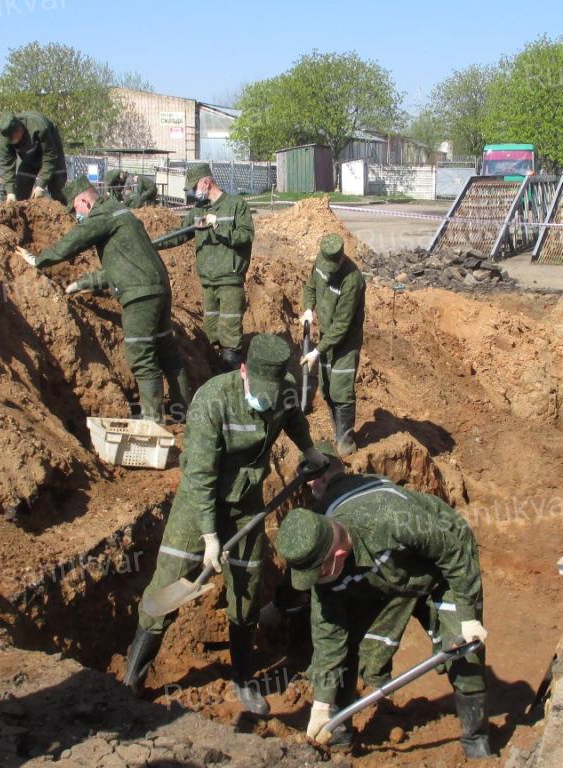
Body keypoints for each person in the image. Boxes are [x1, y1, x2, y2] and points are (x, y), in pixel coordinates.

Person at [123, 334, 327, 715]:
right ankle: (132, 679)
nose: (265, 401)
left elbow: (293, 418)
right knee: (167, 584)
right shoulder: (213, 401)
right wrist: (209, 536)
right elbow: (200, 475)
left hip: (246, 503)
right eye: (259, 392)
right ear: (243, 370)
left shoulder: (282, 390)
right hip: (198, 505)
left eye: (271, 394)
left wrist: (310, 450)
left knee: (247, 590)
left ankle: (243, 680)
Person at [275, 445, 490, 757]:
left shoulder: (392, 519)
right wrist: (320, 705)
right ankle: (338, 730)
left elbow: (454, 553)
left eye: (316, 574)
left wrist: (468, 617)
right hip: (381, 576)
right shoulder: (326, 575)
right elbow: (329, 640)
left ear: (337, 555)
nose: (315, 584)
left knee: (464, 648)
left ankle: (476, 740)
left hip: (440, 569)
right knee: (345, 647)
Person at [16, 177, 189, 422]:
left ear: (85, 201)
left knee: (141, 356)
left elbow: (75, 240)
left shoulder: (102, 215)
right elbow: (123, 266)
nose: (76, 216)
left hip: (139, 295)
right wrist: (82, 284)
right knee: (167, 353)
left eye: (75, 209)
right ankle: (184, 412)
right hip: (157, 287)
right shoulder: (120, 213)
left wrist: (39, 260)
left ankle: (153, 421)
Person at [155, 163, 254, 372]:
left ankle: (231, 377)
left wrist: (218, 226)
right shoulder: (198, 210)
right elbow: (180, 234)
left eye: (194, 187)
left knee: (230, 333)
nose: (193, 192)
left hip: (229, 280)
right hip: (208, 281)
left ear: (206, 183)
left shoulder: (236, 205)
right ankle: (215, 375)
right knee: (211, 331)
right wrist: (153, 244)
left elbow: (245, 236)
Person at [299, 234, 365, 455]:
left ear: (341, 258)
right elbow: (310, 287)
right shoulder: (321, 262)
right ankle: (337, 433)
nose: (327, 273)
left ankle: (346, 443)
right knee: (327, 388)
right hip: (327, 337)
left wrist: (316, 351)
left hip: (345, 343)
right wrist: (308, 308)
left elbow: (342, 326)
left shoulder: (352, 280)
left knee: (341, 391)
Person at [0, 110, 67, 204]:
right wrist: (10, 192)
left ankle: (65, 208)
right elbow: (7, 165)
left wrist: (40, 185)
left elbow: (50, 156)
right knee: (21, 186)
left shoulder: (40, 128)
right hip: (28, 157)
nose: (13, 140)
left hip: (51, 146)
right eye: (10, 139)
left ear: (19, 129)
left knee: (57, 185)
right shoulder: (5, 140)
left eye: (14, 137)